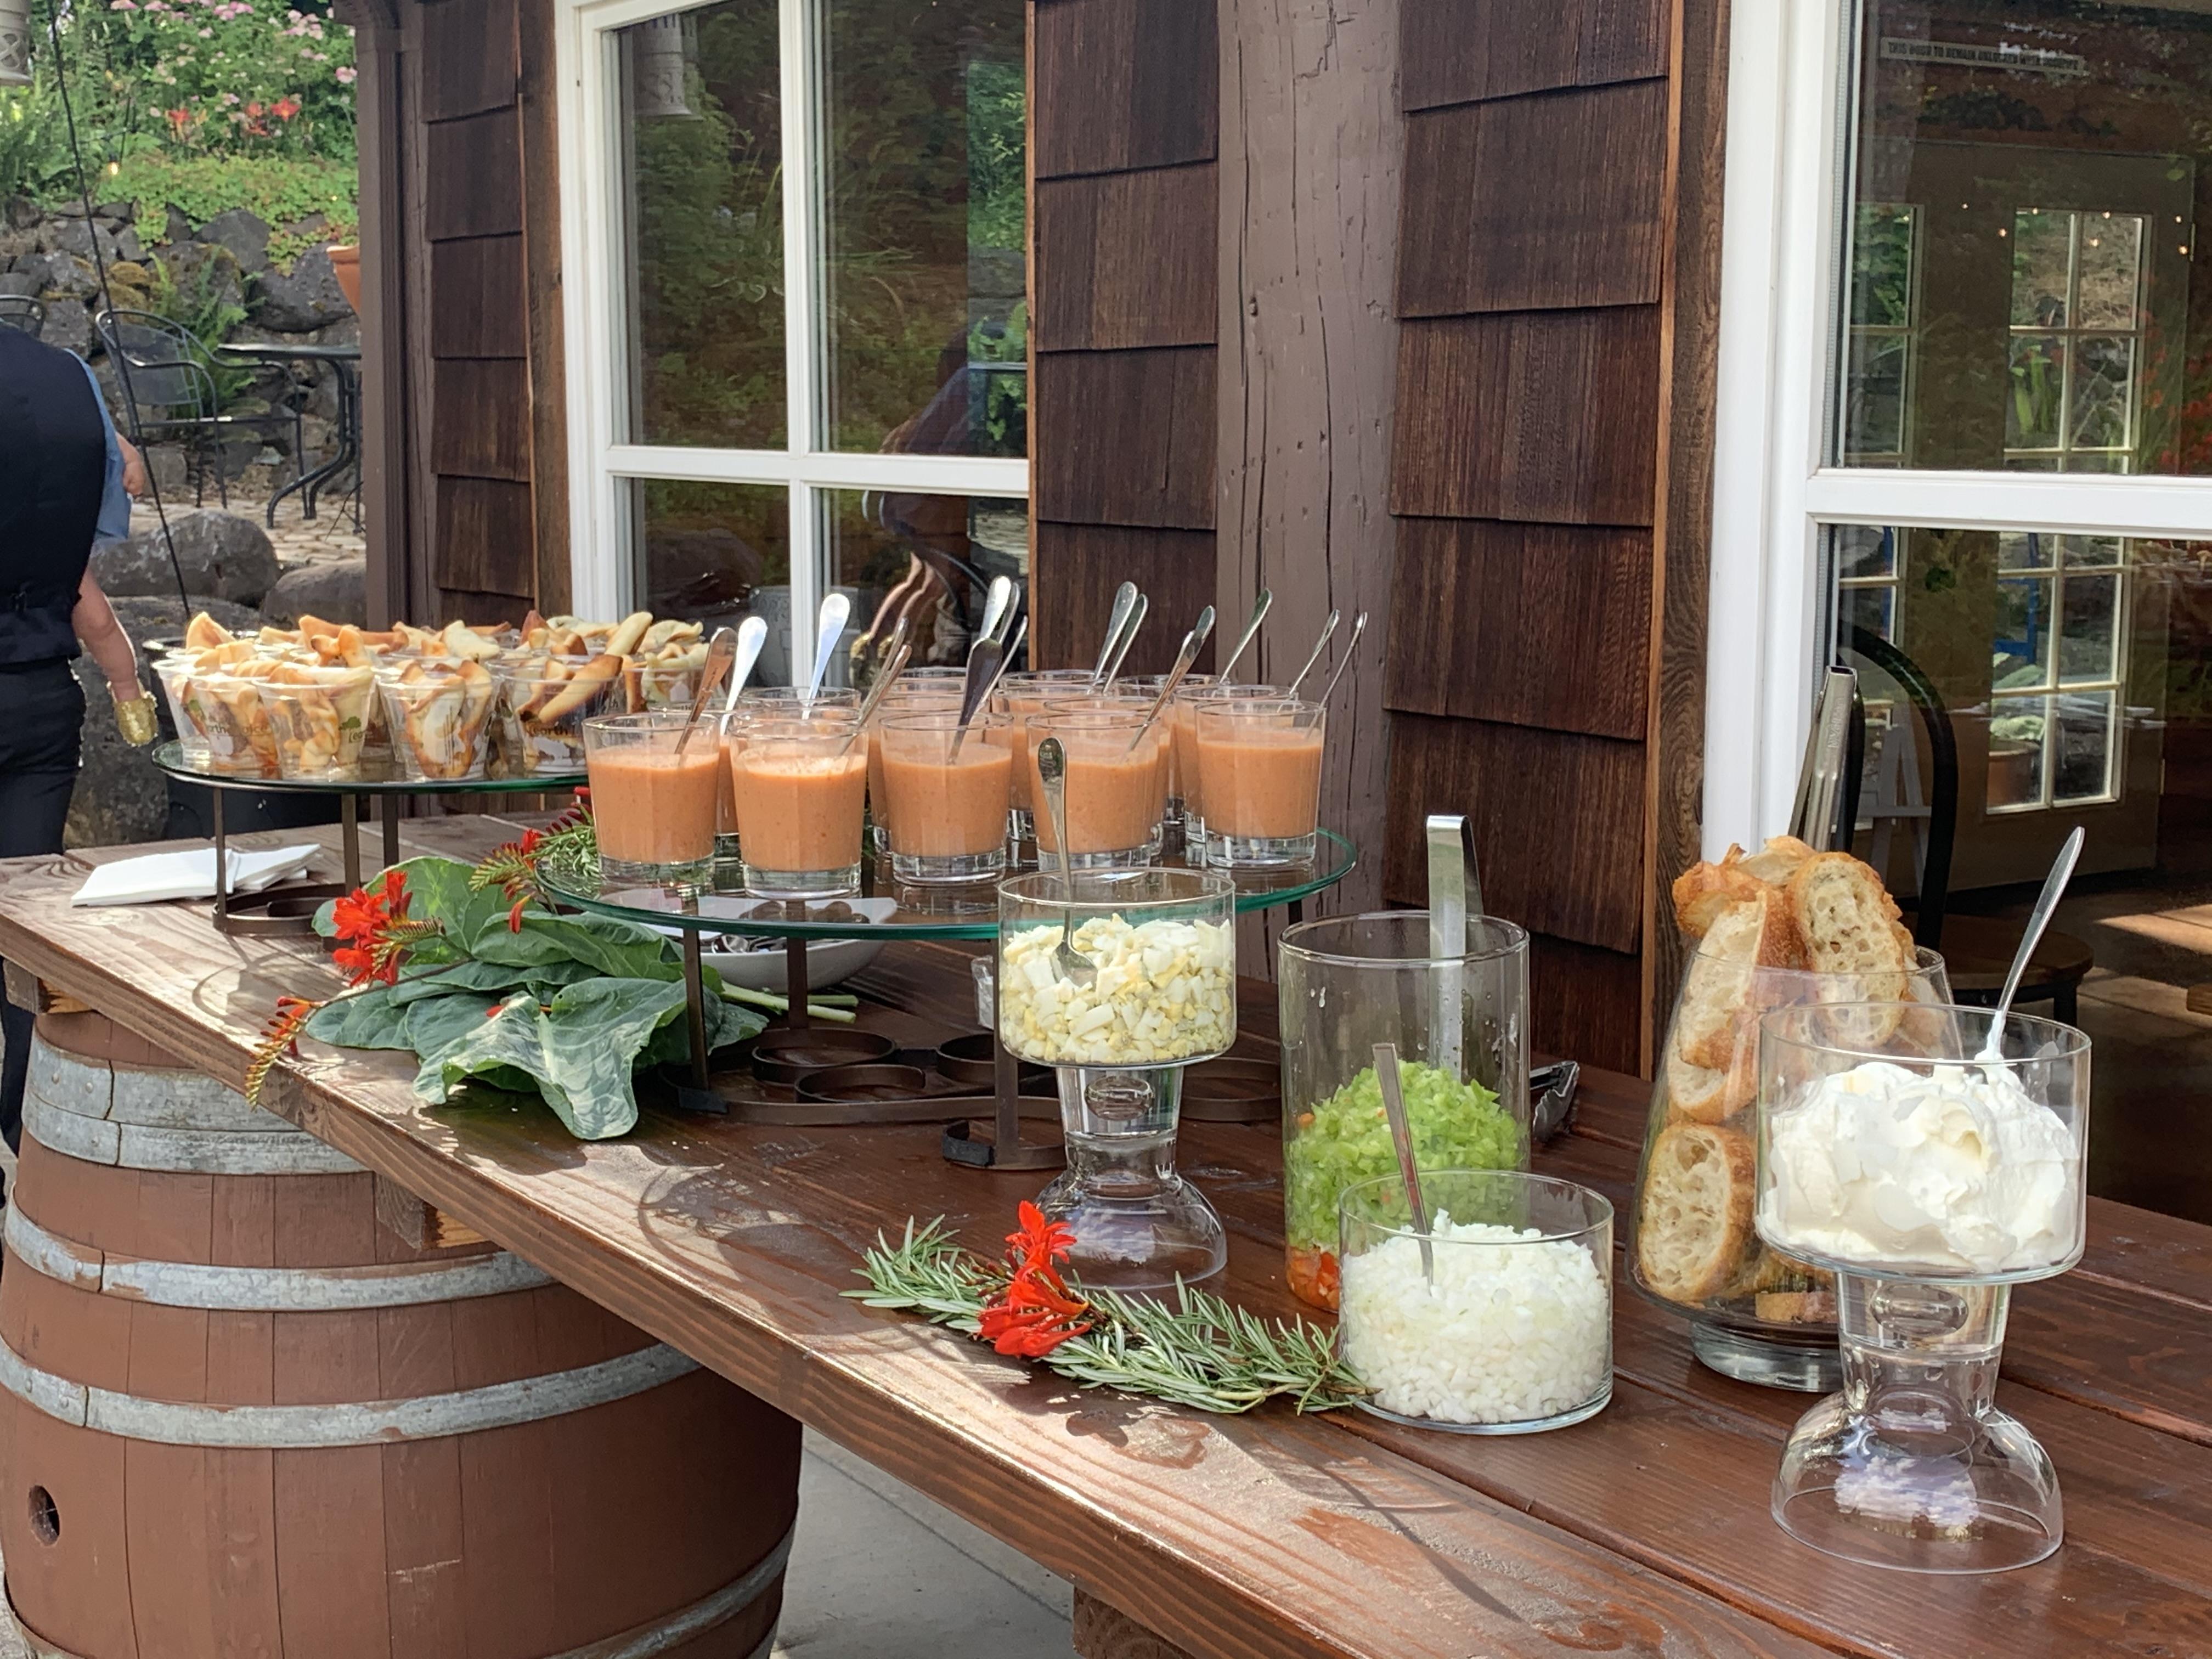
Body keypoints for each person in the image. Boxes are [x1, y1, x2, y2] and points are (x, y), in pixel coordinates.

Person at [0, 324, 160, 1192]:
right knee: (25, 931)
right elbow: (88, 596)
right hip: (39, 706)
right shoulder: (67, 379)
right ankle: (34, 1137)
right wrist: (131, 697)